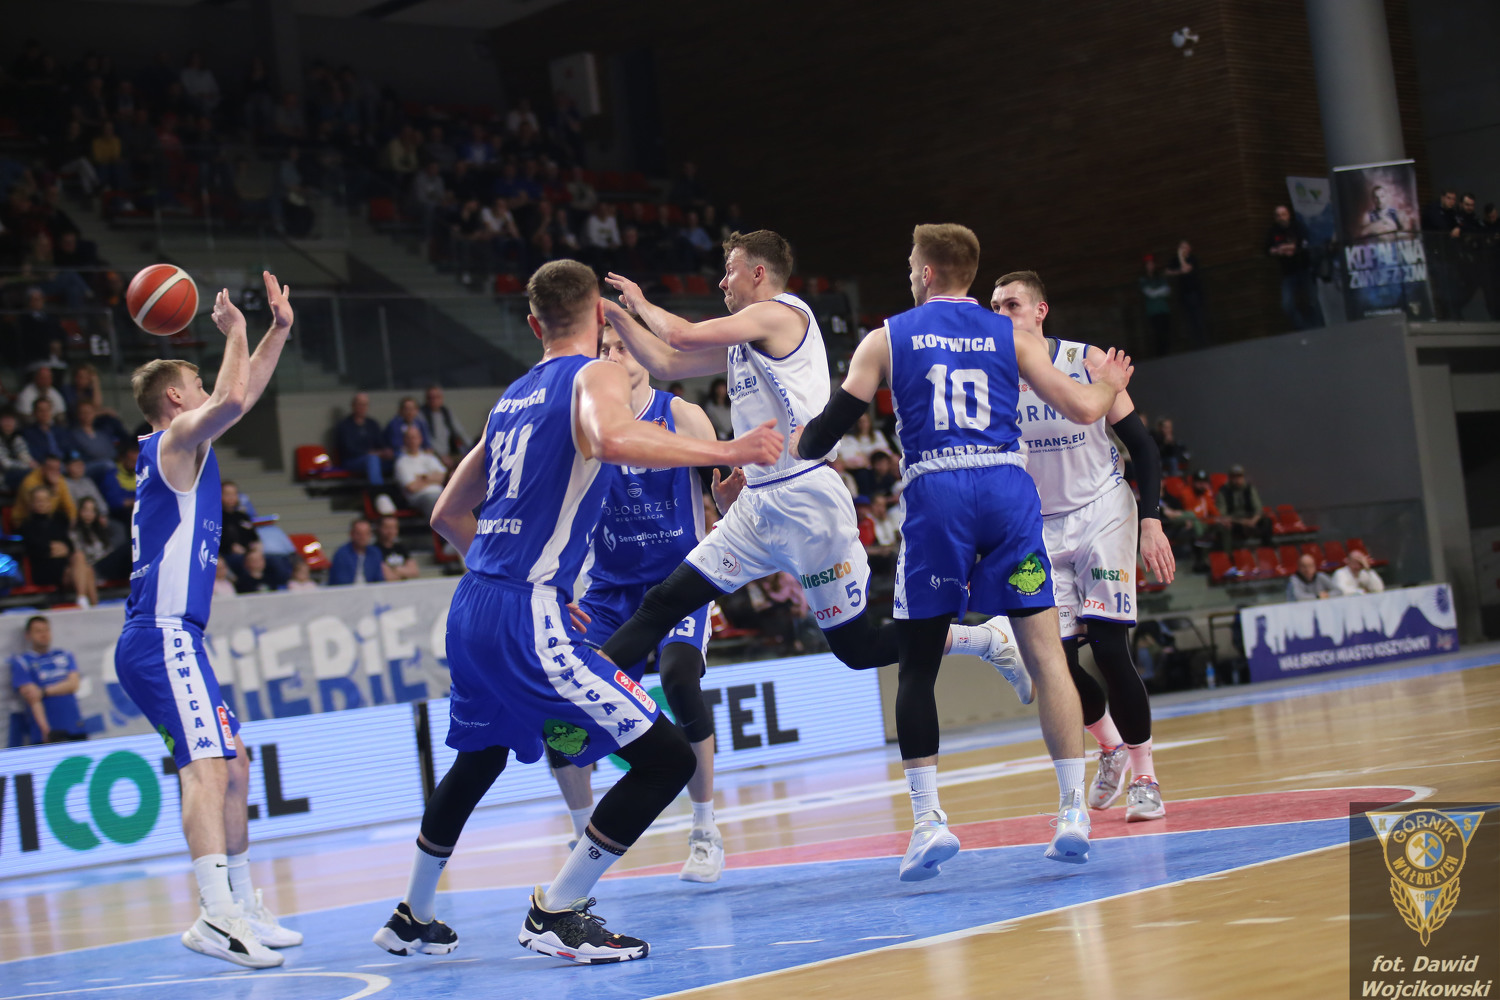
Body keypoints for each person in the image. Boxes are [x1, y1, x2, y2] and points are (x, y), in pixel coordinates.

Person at [594, 228, 1070, 879]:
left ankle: (984, 640)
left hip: (808, 501)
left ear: (758, 273)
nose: (722, 281)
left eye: (730, 271)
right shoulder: (742, 336)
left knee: (858, 649)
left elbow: (677, 332)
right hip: (759, 505)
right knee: (662, 603)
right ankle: (581, 687)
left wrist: (625, 303)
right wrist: (620, 321)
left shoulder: (780, 313)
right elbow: (668, 361)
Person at [370, 259, 780, 964]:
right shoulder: (595, 375)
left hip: (473, 605)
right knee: (665, 760)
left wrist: (525, 579)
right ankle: (556, 911)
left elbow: (446, 515)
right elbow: (609, 440)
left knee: (479, 759)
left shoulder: (510, 399)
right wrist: (728, 448)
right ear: (599, 317)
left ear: (533, 323)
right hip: (522, 615)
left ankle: (414, 914)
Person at [789, 225, 1133, 870]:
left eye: (910, 264)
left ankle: (928, 823)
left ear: (925, 272)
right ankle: (1072, 810)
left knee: (918, 665)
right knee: (1048, 657)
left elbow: (826, 433)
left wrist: (796, 443)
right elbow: (1087, 408)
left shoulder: (887, 337)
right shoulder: (1014, 336)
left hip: (938, 493)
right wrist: (1111, 382)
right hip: (1006, 490)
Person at [111, 272, 298, 969]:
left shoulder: (189, 446)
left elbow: (237, 397)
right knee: (207, 768)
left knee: (235, 766)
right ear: (175, 398)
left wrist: (277, 331)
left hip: (174, 637)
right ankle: (215, 915)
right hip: (160, 635)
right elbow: (233, 397)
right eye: (197, 382)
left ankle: (242, 903)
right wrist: (237, 331)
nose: (210, 388)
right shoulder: (171, 444)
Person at [549, 319, 728, 882]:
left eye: (621, 347)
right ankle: (584, 834)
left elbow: (727, 489)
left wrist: (731, 518)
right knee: (559, 707)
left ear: (647, 355)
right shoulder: (585, 425)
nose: (610, 355)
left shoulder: (680, 414)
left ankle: (705, 830)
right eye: (602, 349)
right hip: (608, 591)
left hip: (678, 583)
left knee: (679, 678)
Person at [992, 269, 1173, 824]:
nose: (1002, 315)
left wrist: (1152, 521)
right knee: (1057, 665)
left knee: (1111, 649)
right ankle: (1110, 745)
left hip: (1102, 512)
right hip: (1039, 529)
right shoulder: (991, 375)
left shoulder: (1085, 360)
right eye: (994, 307)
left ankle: (1146, 777)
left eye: (1012, 304)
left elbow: (1142, 445)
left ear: (1040, 310)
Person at [10, 616, 86, 744]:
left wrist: (43, 691)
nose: (44, 634)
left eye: (46, 630)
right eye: (38, 631)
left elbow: (74, 684)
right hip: (47, 732)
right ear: (28, 635)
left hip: (74, 725)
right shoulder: (22, 662)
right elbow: (32, 696)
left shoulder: (64, 655)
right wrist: (45, 729)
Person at [19, 484, 96, 605]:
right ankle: (88, 603)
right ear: (32, 503)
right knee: (85, 569)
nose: (42, 503)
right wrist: (52, 549)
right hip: (44, 569)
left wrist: (65, 549)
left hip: (65, 568)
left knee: (84, 564)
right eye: (38, 500)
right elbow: (34, 548)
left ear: (50, 502)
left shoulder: (60, 520)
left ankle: (84, 600)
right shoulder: (27, 525)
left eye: (45, 500)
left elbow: (69, 545)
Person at [1267, 205, 1323, 331]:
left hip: (1304, 268)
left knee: (1312, 301)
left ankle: (1320, 328)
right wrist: (1277, 250)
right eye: (1278, 215)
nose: (1281, 218)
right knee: (1287, 305)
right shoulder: (1273, 231)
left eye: (1283, 214)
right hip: (1288, 273)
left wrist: (1287, 248)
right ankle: (1303, 328)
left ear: (1288, 215)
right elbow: (1267, 249)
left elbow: (1303, 243)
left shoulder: (1297, 227)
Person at [335, 392, 391, 483]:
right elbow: (348, 449)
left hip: (375, 458)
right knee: (372, 459)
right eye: (360, 404)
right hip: (352, 460)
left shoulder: (372, 424)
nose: (363, 407)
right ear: (353, 405)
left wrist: (386, 451)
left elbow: (380, 443)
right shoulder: (344, 426)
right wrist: (370, 453)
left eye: (365, 405)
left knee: (399, 457)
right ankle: (377, 490)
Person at [1215, 464, 1273, 551]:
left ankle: (1267, 549)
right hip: (1234, 521)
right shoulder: (1223, 491)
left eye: (1239, 476)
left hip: (1250, 519)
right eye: (1234, 477)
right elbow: (1221, 514)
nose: (1237, 479)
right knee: (1224, 526)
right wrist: (1242, 522)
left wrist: (1253, 520)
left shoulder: (1250, 489)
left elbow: (1258, 508)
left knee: (1267, 522)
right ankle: (1228, 554)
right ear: (1230, 478)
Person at [394, 424, 446, 520]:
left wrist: (422, 478)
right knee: (434, 501)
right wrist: (432, 478)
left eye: (414, 437)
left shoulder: (429, 457)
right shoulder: (401, 462)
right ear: (404, 440)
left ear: (420, 439)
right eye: (409, 438)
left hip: (441, 494)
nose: (412, 441)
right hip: (420, 497)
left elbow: (442, 477)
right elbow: (412, 488)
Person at [419, 385, 468, 470]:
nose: (434, 400)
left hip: (450, 452)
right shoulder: (421, 415)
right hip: (431, 454)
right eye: (431, 398)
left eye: (437, 397)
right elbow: (427, 438)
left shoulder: (446, 413)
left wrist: (471, 448)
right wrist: (441, 455)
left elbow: (459, 431)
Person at [328, 517, 386, 585]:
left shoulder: (375, 553)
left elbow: (379, 579)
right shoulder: (342, 554)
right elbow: (341, 581)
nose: (363, 537)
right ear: (352, 534)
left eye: (366, 533)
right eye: (359, 534)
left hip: (370, 590)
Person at [1138, 254, 1172, 356]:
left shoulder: (1159, 277)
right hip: (1153, 311)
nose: (1150, 266)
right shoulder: (1143, 279)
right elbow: (1150, 293)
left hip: (1163, 309)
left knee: (1166, 330)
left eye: (1152, 264)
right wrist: (1159, 292)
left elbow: (1167, 290)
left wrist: (1156, 292)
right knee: (1157, 332)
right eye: (1148, 264)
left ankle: (1167, 351)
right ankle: (1160, 353)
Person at [375, 514, 419, 580]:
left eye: (394, 527)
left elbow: (414, 572)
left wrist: (393, 569)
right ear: (379, 528)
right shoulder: (375, 550)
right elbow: (388, 577)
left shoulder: (401, 548)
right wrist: (404, 572)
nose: (391, 531)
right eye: (387, 527)